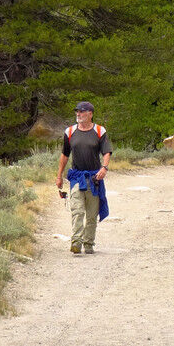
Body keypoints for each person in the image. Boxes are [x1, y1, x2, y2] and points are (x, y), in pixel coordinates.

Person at [56, 100, 113, 254]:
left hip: (94, 178)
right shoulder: (69, 132)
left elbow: (106, 151)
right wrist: (59, 175)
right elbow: (65, 154)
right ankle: (76, 242)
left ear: (90, 114)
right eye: (77, 112)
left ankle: (88, 243)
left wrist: (104, 167)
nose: (78, 114)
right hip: (76, 177)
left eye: (81, 112)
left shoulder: (100, 131)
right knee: (78, 210)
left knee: (92, 214)